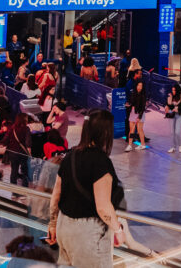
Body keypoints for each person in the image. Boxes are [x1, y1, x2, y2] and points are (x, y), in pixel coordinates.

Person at [47, 110, 125, 268]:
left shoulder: (70, 156)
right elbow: (103, 207)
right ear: (105, 133)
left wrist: (53, 224)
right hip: (88, 233)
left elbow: (56, 195)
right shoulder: (101, 162)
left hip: (64, 227)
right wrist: (118, 230)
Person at [4, 113, 31, 187]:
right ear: (24, 120)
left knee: (14, 171)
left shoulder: (11, 128)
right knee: (24, 172)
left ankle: (14, 193)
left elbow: (5, 140)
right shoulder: (26, 128)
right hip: (22, 153)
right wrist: (29, 154)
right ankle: (24, 191)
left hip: (12, 153)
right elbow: (28, 143)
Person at [124, 80, 148, 152]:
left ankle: (142, 144)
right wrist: (128, 105)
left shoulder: (143, 95)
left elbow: (143, 108)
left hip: (140, 114)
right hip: (133, 113)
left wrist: (139, 117)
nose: (139, 87)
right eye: (138, 85)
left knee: (139, 130)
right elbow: (132, 103)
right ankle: (130, 145)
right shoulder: (133, 93)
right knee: (131, 130)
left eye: (141, 86)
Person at [165, 83, 181, 154]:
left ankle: (180, 145)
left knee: (177, 132)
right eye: (172, 90)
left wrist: (177, 108)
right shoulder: (170, 96)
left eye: (174, 90)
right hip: (171, 115)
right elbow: (168, 106)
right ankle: (173, 147)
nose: (173, 91)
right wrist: (167, 106)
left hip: (179, 115)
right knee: (171, 132)